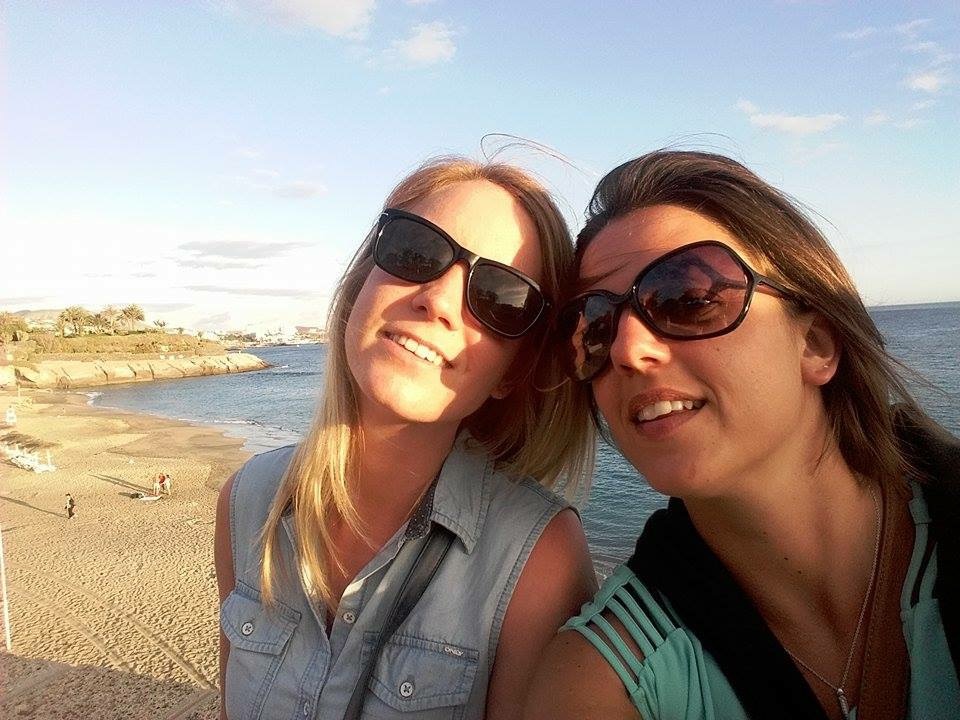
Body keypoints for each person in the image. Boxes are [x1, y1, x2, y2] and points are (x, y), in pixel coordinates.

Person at [526, 150, 960, 720]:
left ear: (816, 344)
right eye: (595, 324)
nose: (629, 351)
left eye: (689, 297)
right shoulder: (601, 683)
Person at [214, 157, 597, 720]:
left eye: (501, 297)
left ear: (513, 371)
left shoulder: (539, 561)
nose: (437, 300)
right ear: (360, 285)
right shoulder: (247, 500)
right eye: (417, 252)